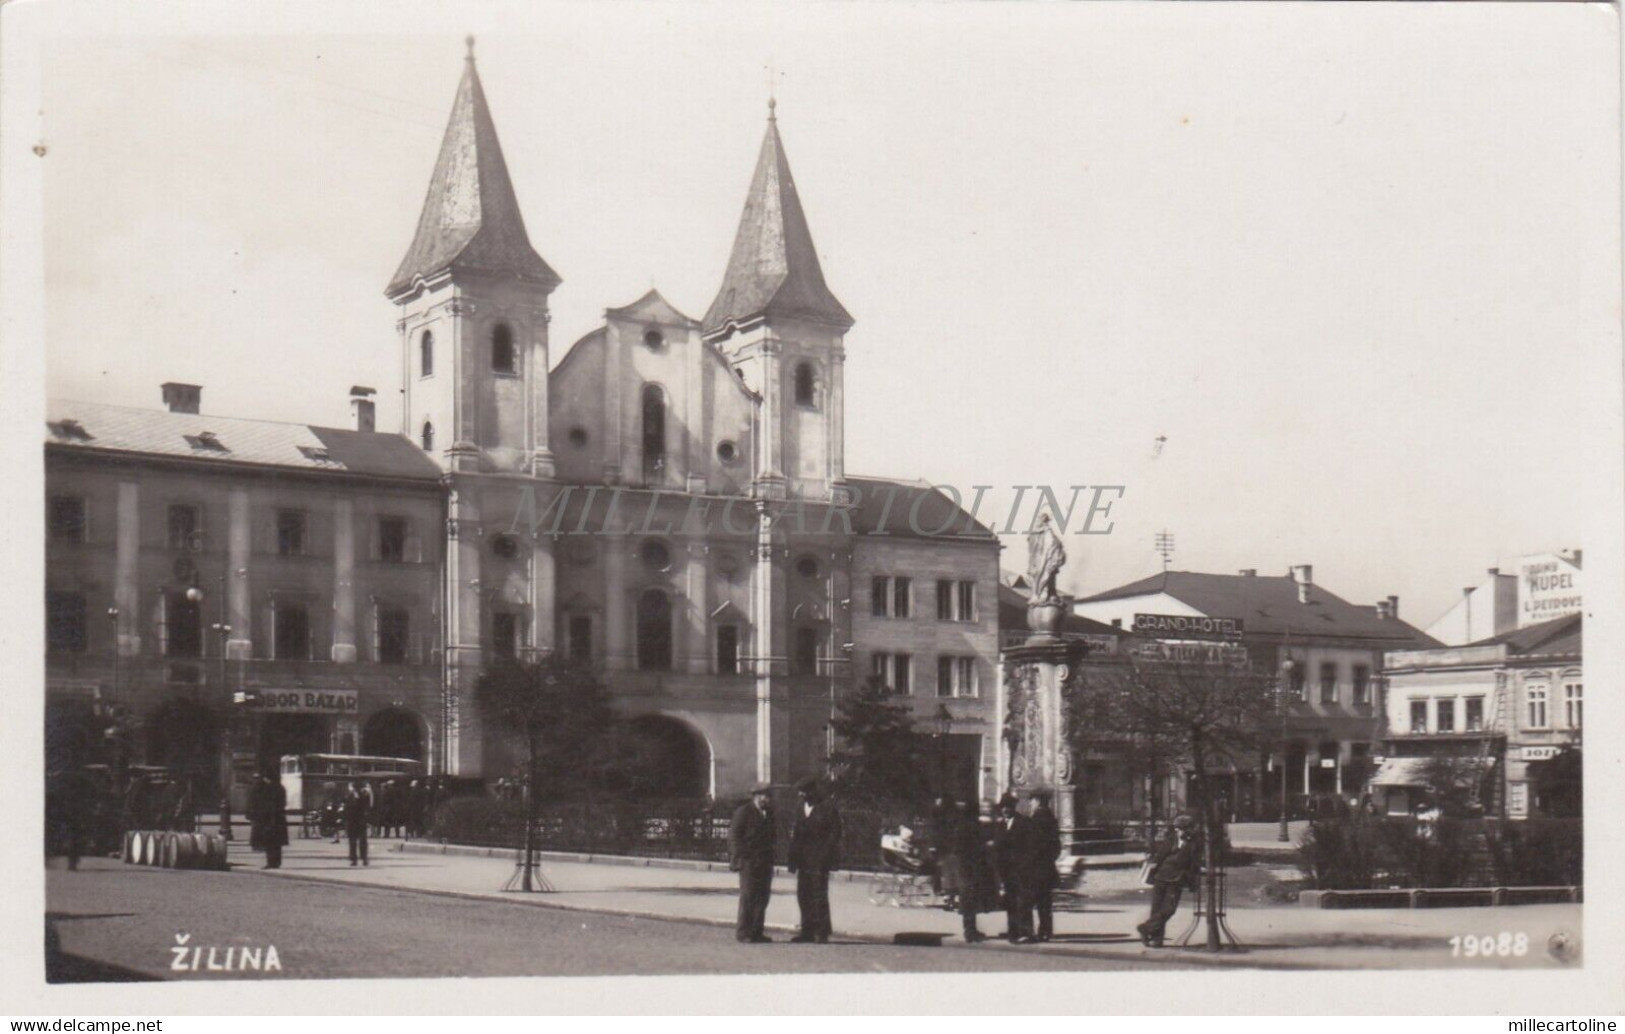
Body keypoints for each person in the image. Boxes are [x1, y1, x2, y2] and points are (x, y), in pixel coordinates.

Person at [787, 778, 841, 944]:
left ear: (812, 791)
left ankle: (821, 931)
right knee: (803, 895)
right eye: (799, 792)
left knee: (818, 895)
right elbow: (795, 833)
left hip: (819, 859)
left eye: (803, 791)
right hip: (803, 860)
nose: (801, 795)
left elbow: (835, 833)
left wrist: (826, 854)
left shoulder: (827, 808)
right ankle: (807, 931)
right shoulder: (799, 808)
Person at [1137, 812, 1200, 948]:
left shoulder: (1193, 844)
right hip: (1161, 877)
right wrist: (1153, 871)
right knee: (1157, 908)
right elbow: (1160, 857)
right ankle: (1156, 939)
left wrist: (1193, 881)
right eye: (1177, 828)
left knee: (1169, 909)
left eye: (1181, 828)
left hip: (1176, 879)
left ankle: (1146, 928)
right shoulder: (1171, 840)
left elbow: (1193, 863)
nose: (1178, 831)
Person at [729, 784, 776, 943]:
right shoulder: (743, 812)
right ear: (756, 796)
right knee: (748, 896)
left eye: (769, 796)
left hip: (765, 861)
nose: (767, 799)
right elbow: (734, 837)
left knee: (763, 897)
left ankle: (757, 931)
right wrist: (738, 859)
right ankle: (743, 932)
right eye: (765, 796)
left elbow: (773, 836)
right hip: (749, 861)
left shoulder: (769, 813)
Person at [992, 793, 1036, 943]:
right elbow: (998, 849)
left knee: (1023, 901)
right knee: (1010, 902)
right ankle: (1013, 931)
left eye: (1008, 807)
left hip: (1022, 870)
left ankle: (1027, 932)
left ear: (1013, 807)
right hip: (1006, 871)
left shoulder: (1025, 823)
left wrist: (1025, 865)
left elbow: (1030, 848)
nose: (1005, 810)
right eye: (1002, 807)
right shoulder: (1000, 825)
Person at [952, 799, 996, 942]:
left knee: (968, 898)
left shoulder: (961, 825)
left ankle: (970, 929)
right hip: (970, 868)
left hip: (965, 867)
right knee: (970, 898)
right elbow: (975, 847)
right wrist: (986, 846)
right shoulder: (971, 826)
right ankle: (970, 932)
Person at [1028, 793, 1063, 941]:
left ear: (1037, 801)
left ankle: (1029, 931)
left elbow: (1030, 844)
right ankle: (1046, 930)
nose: (1030, 804)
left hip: (1035, 867)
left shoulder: (1035, 819)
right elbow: (1057, 846)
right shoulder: (1052, 819)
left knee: (1030, 900)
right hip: (1047, 866)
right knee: (1045, 901)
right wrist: (1050, 858)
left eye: (1032, 801)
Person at [247, 773, 289, 869]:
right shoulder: (279, 787)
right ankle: (276, 862)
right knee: (276, 843)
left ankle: (271, 862)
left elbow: (262, 803)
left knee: (269, 841)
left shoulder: (266, 788)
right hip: (278, 818)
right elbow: (283, 803)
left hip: (269, 818)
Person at [345, 780, 373, 866]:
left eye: (350, 786)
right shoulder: (351, 796)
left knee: (359, 841)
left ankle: (361, 858)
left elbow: (367, 806)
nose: (349, 788)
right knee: (356, 841)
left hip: (357, 821)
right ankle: (357, 859)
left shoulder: (361, 796)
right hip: (355, 821)